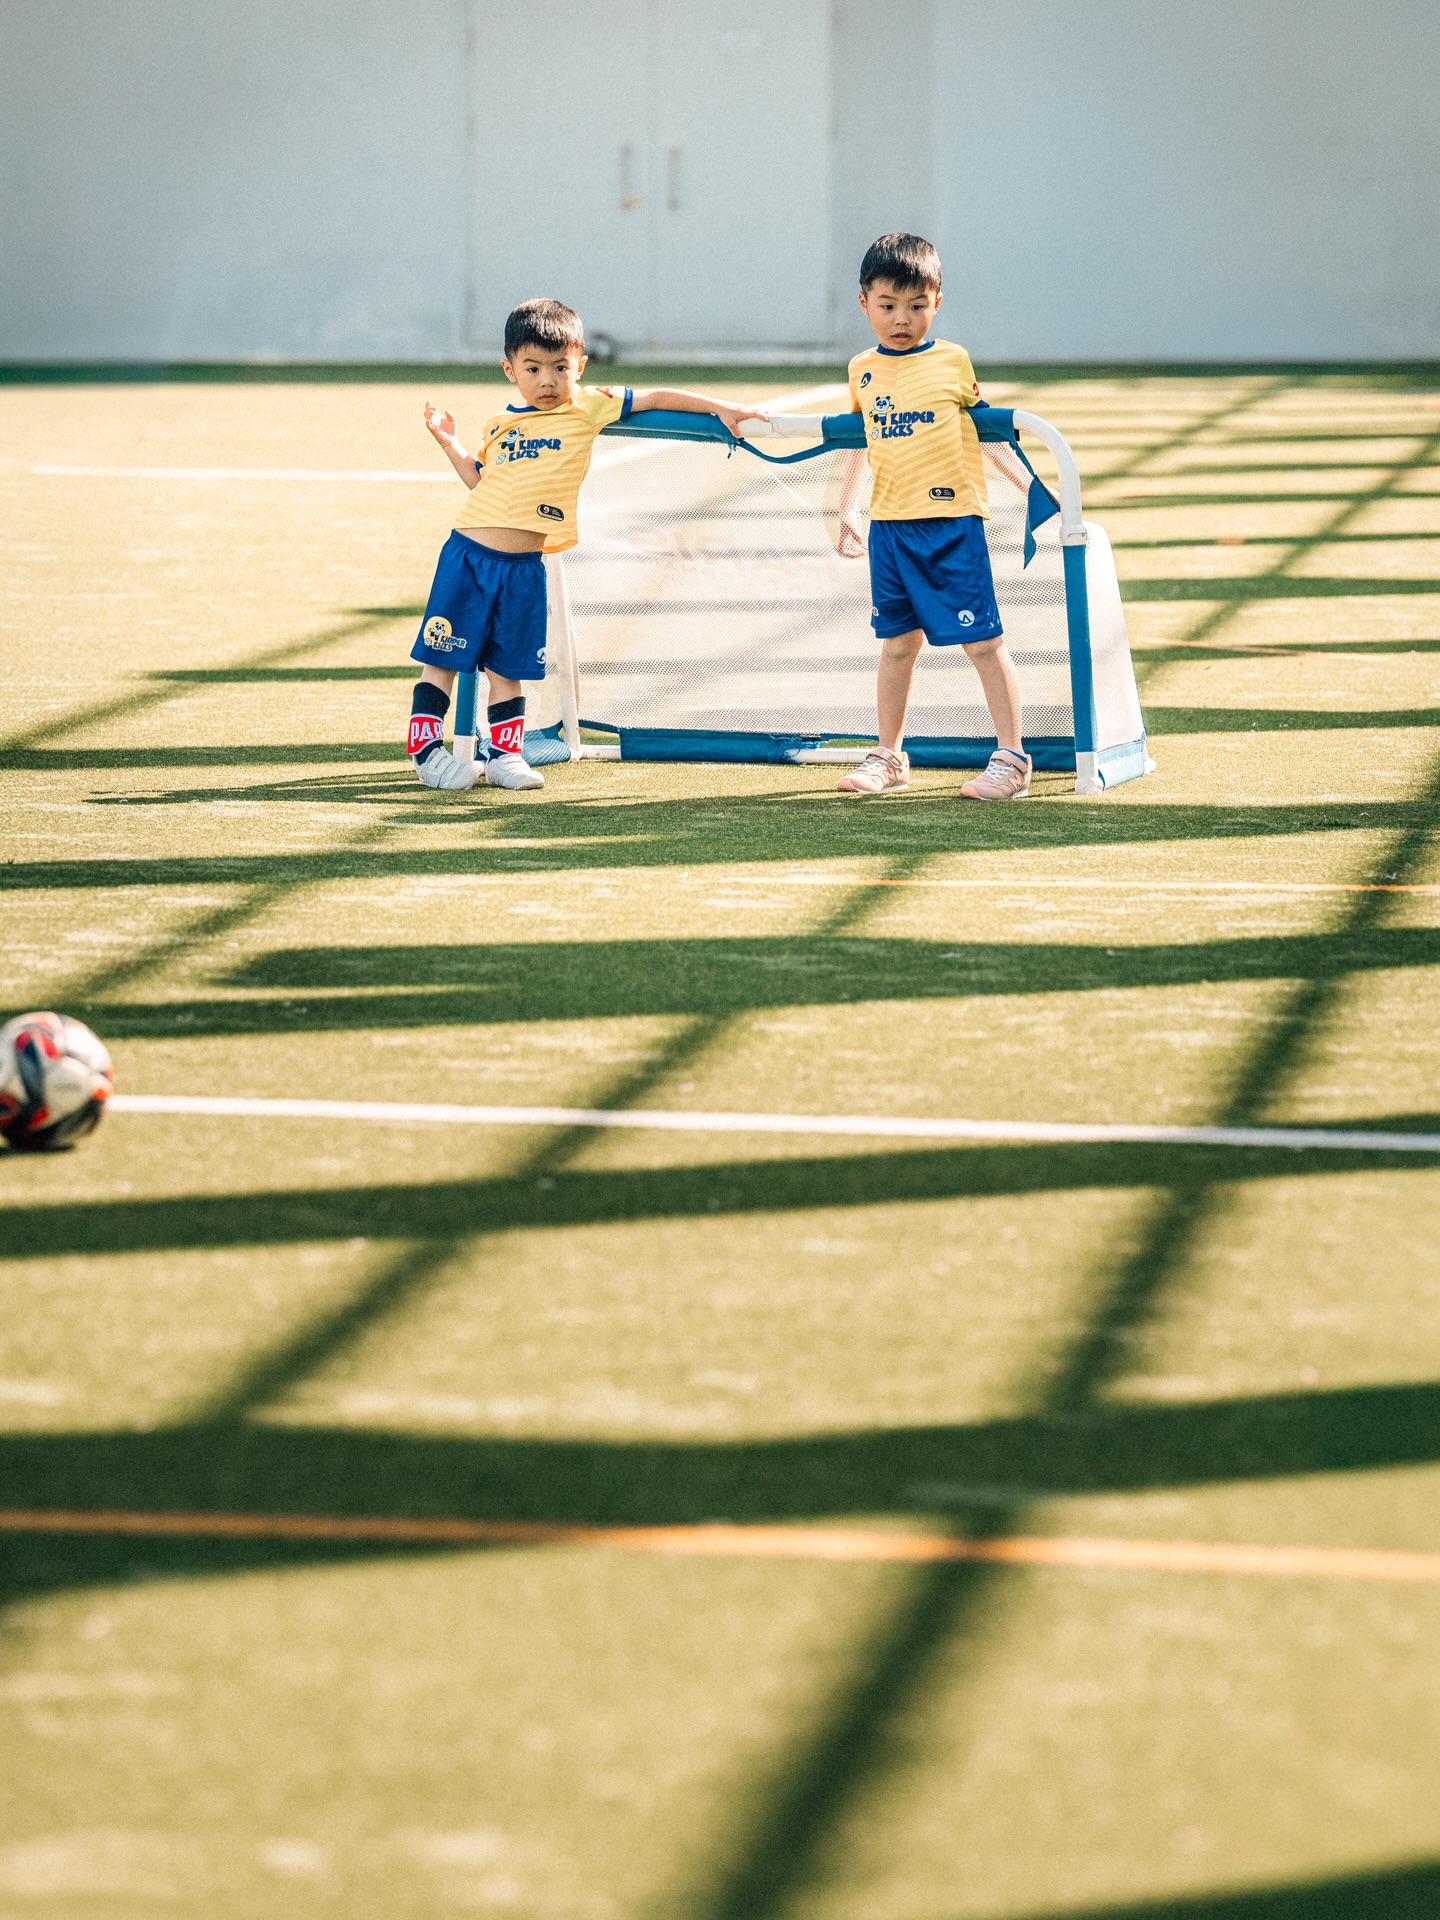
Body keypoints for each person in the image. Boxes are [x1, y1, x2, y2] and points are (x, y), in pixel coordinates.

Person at [409, 298, 766, 791]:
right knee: (444, 657)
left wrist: (721, 407)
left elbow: (657, 396)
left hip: (525, 565)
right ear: (510, 369)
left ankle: (504, 757)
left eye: (560, 367)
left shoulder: (587, 405)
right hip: (469, 557)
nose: (547, 381)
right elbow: (480, 480)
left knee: (509, 666)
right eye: (532, 368)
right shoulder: (498, 424)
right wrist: (450, 443)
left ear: (581, 365)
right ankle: (427, 753)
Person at [834, 234, 1030, 800]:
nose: (903, 319)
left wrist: (1030, 486)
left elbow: (989, 431)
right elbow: (857, 443)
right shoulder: (861, 369)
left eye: (917, 306)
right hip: (889, 529)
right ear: (864, 303)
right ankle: (890, 756)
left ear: (936, 302)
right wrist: (849, 509)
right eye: (888, 306)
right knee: (897, 645)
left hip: (951, 527)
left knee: (984, 644)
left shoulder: (951, 361)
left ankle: (1013, 761)